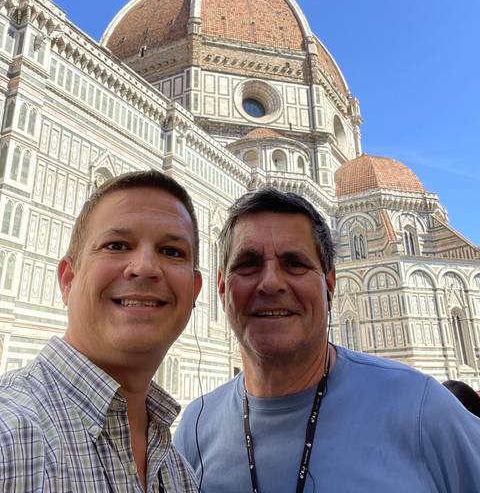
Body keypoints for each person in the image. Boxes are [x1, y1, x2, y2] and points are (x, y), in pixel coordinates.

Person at [175, 188, 480, 493]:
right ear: (222, 287)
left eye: (294, 263)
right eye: (248, 264)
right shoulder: (195, 428)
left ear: (329, 284)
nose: (270, 283)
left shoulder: (421, 408)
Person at [0, 170, 202, 492]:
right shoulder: (10, 441)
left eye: (171, 251)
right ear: (68, 279)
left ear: (194, 291)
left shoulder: (179, 475)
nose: (146, 267)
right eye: (117, 245)